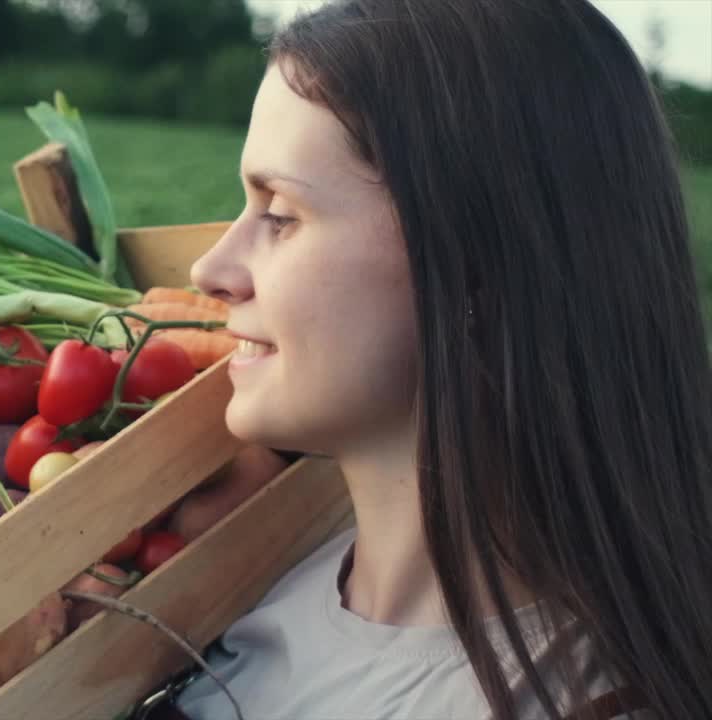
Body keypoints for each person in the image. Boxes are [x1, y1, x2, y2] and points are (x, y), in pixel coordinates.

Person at [159, 0, 712, 718]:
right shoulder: (245, 580)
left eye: (281, 214)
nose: (210, 269)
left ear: (474, 261)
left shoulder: (585, 700)